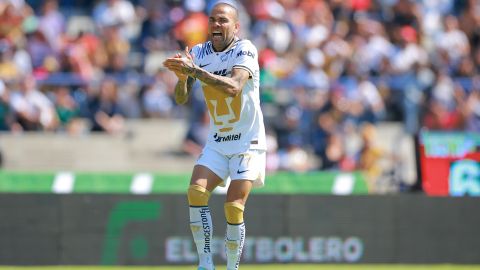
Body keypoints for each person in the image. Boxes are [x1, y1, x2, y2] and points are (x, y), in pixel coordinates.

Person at [163, 1, 266, 269]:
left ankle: (231, 267)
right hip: (219, 140)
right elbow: (181, 99)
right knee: (196, 191)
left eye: (223, 20)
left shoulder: (245, 49)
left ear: (236, 26)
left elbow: (234, 87)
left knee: (233, 207)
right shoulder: (198, 52)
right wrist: (181, 78)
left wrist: (194, 72)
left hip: (247, 143)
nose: (216, 25)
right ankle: (206, 263)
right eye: (212, 20)